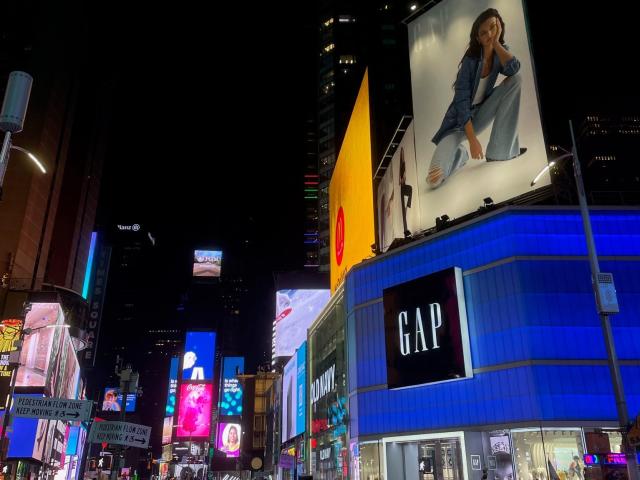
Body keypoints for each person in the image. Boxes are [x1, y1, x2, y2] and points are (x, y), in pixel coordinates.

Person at [428, 8, 525, 189]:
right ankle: (460, 156)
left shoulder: (499, 53)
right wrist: (472, 141)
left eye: (493, 27)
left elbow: (514, 69)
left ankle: (499, 151)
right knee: (434, 179)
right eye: (483, 32)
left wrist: (496, 43)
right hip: (458, 124)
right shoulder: (470, 61)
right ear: (478, 38)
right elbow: (461, 103)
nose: (489, 33)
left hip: (482, 112)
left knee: (516, 80)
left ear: (499, 27)